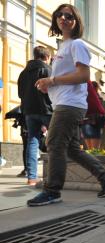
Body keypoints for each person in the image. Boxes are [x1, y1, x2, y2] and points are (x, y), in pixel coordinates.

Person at [27, 3, 105, 206]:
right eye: (60, 15)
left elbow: (84, 75)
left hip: (70, 105)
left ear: (76, 20)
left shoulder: (77, 45)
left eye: (69, 15)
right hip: (65, 102)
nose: (64, 18)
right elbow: (67, 76)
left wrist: (52, 81)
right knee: (71, 149)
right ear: (55, 19)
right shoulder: (63, 47)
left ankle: (52, 191)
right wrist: (48, 86)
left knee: (54, 143)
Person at [17, 46, 53, 185]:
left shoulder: (23, 73)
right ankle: (56, 175)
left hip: (29, 111)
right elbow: (54, 91)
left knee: (32, 142)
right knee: (56, 141)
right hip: (47, 110)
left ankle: (31, 178)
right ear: (47, 57)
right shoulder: (48, 70)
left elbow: (20, 94)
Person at [81, 81, 105, 149]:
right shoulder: (95, 96)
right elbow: (98, 109)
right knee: (95, 150)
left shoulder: (84, 93)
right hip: (94, 120)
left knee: (89, 149)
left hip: (85, 120)